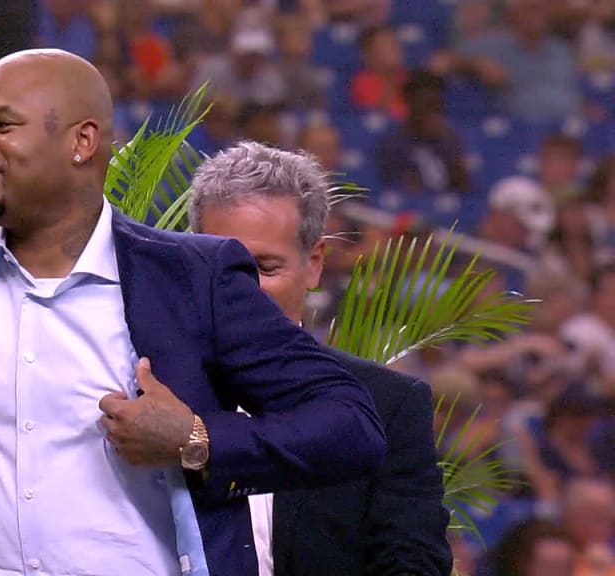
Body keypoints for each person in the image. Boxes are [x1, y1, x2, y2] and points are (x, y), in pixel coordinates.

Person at [0, 48, 387, 575]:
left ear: (82, 141)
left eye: (3, 125)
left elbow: (349, 423)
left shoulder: (192, 277)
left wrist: (199, 440)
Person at [189, 141, 452, 576]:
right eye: (222, 268)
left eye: (266, 268)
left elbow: (411, 564)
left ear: (313, 264)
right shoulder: (144, 388)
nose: (241, 289)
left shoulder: (389, 406)